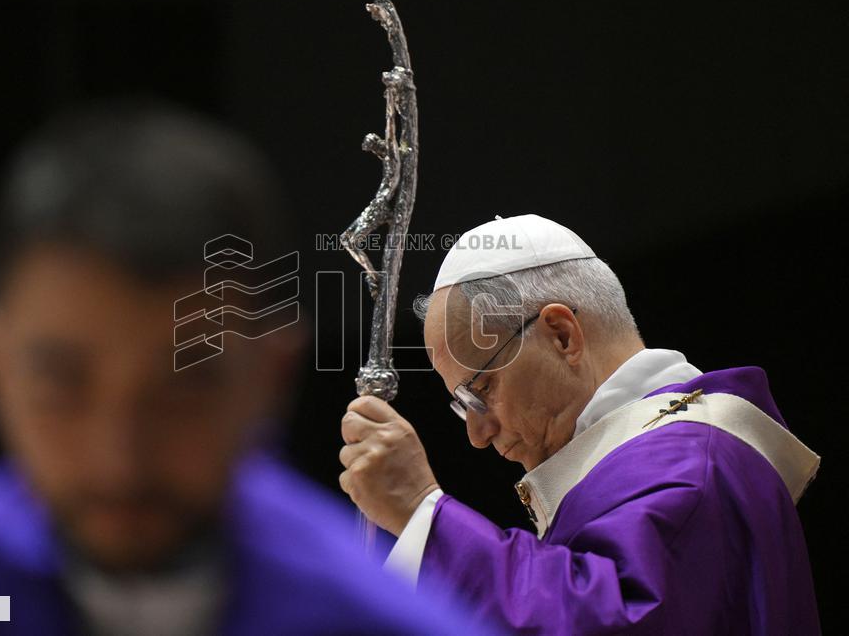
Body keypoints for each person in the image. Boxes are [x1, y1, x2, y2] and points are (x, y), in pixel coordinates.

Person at [0, 100, 484, 635]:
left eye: (184, 390)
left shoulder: (385, 624)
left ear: (272, 373)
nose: (118, 460)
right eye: (61, 385)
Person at [338, 213, 822, 634]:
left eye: (482, 390)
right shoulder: (652, 462)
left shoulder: (690, 467)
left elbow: (610, 625)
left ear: (562, 335)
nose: (478, 435)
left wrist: (425, 516)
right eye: (462, 406)